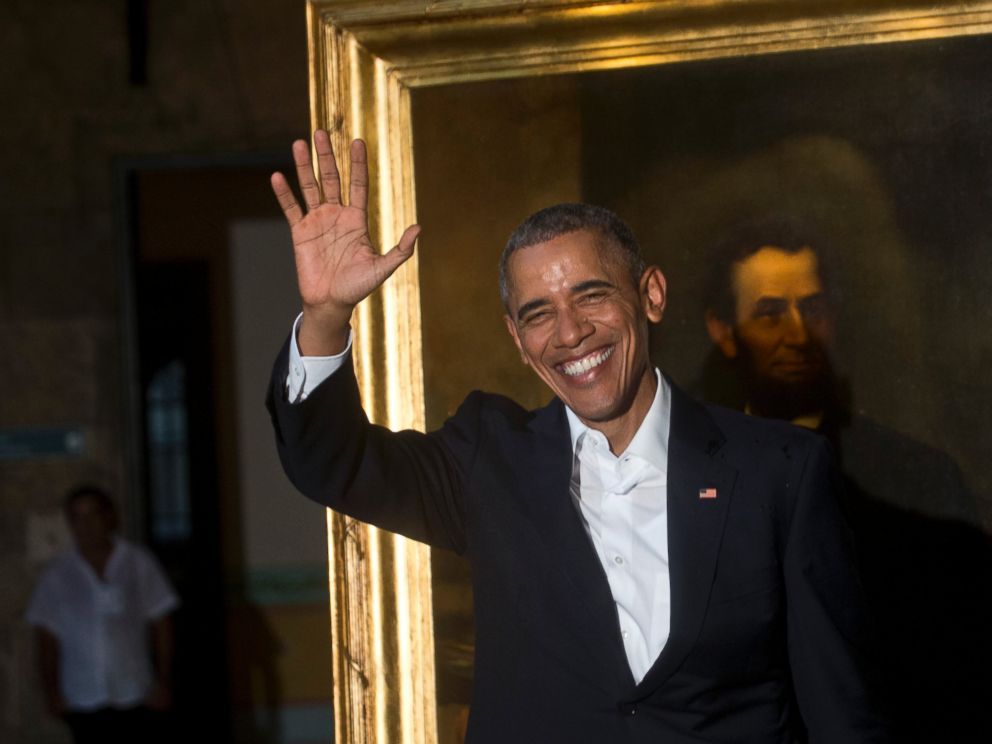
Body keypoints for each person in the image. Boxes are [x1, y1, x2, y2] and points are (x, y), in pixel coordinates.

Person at [266, 131, 889, 743]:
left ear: (651, 295)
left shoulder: (778, 469)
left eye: (590, 296)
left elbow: (840, 709)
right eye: (539, 313)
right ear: (516, 337)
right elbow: (332, 462)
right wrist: (326, 316)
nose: (570, 334)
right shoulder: (488, 459)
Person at [701, 215, 992, 742]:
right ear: (723, 331)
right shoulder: (695, 477)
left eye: (810, 308)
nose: (797, 334)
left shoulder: (918, 475)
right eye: (769, 314)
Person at [27, 485, 179, 744]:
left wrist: (164, 680)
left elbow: (162, 623)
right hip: (82, 695)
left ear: (108, 517)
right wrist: (51, 691)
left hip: (134, 691)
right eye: (77, 517)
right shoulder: (58, 573)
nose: (86, 525)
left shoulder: (137, 562)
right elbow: (47, 637)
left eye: (93, 515)